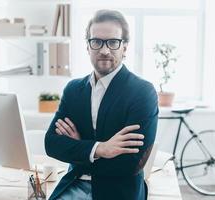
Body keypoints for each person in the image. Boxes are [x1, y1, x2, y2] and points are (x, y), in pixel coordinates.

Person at [44, 9, 158, 200]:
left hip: (117, 192)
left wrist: (80, 148)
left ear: (125, 47)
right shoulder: (73, 90)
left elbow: (131, 163)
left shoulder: (142, 92)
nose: (104, 50)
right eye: (96, 42)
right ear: (88, 46)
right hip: (74, 185)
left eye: (113, 42)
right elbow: (51, 144)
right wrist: (100, 149)